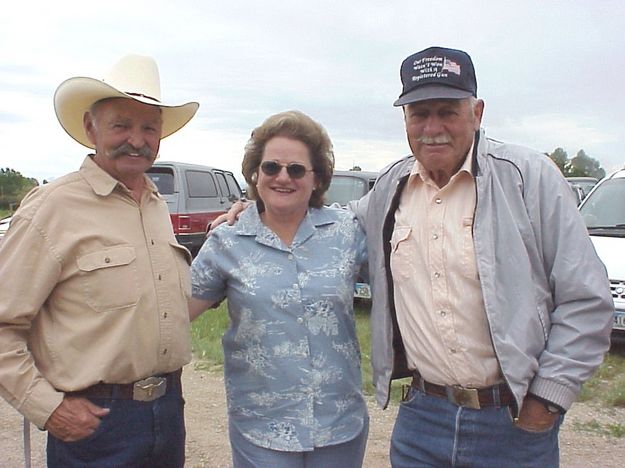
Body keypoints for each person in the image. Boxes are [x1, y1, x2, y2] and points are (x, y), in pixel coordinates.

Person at [353, 46, 614, 467]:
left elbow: (586, 299)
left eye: (447, 111)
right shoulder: (390, 188)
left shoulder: (529, 178)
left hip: (513, 423)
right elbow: (329, 227)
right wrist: (251, 213)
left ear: (477, 112)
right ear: (404, 119)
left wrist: (546, 400)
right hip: (420, 420)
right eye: (419, 113)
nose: (432, 127)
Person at [0, 54, 199, 467]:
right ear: (91, 128)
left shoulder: (155, 206)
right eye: (121, 125)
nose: (137, 139)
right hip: (97, 425)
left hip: (167, 414)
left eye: (149, 127)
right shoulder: (51, 210)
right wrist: (48, 408)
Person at [189, 110, 369, 468]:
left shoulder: (347, 232)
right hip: (261, 429)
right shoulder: (227, 241)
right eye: (271, 167)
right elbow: (174, 315)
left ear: (317, 179)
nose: (282, 177)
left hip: (339, 426)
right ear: (255, 174)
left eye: (297, 169)